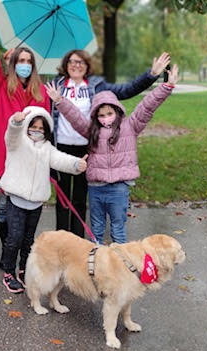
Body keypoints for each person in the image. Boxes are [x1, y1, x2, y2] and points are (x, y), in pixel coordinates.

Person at [46, 65, 179, 244]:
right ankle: (98, 264)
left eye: (109, 113)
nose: (105, 118)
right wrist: (59, 101)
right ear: (95, 116)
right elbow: (75, 117)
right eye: (100, 115)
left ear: (117, 111)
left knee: (117, 230)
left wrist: (166, 87)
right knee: (97, 230)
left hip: (118, 189)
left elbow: (147, 106)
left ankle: (120, 266)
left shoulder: (130, 126)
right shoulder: (91, 130)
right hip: (95, 188)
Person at [0, 3, 50, 273]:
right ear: (14, 63)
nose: (25, 66)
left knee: (26, 211)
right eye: (21, 61)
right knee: (5, 208)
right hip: (5, 158)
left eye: (29, 62)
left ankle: (20, 256)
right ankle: (9, 250)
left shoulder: (42, 93)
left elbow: (46, 127)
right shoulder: (3, 85)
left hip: (31, 160)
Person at [0, 107, 87, 293]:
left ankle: (23, 270)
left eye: (41, 128)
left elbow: (60, 159)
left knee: (28, 239)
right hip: (16, 199)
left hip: (36, 202)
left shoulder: (47, 148)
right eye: (33, 126)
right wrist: (15, 122)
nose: (37, 131)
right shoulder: (18, 142)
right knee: (14, 237)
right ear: (27, 126)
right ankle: (8, 272)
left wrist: (76, 164)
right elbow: (11, 135)